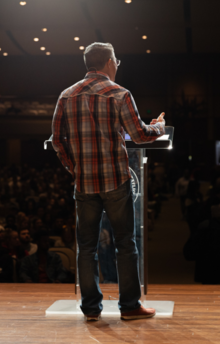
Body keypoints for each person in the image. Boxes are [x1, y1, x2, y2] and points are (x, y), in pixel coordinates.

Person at [52, 42, 165, 321]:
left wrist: (75, 169)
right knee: (125, 243)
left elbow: (57, 140)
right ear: (109, 62)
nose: (118, 64)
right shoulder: (119, 93)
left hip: (84, 184)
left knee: (86, 247)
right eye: (116, 60)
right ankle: (129, 307)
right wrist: (159, 127)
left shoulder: (66, 96)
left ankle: (91, 309)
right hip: (115, 180)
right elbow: (139, 135)